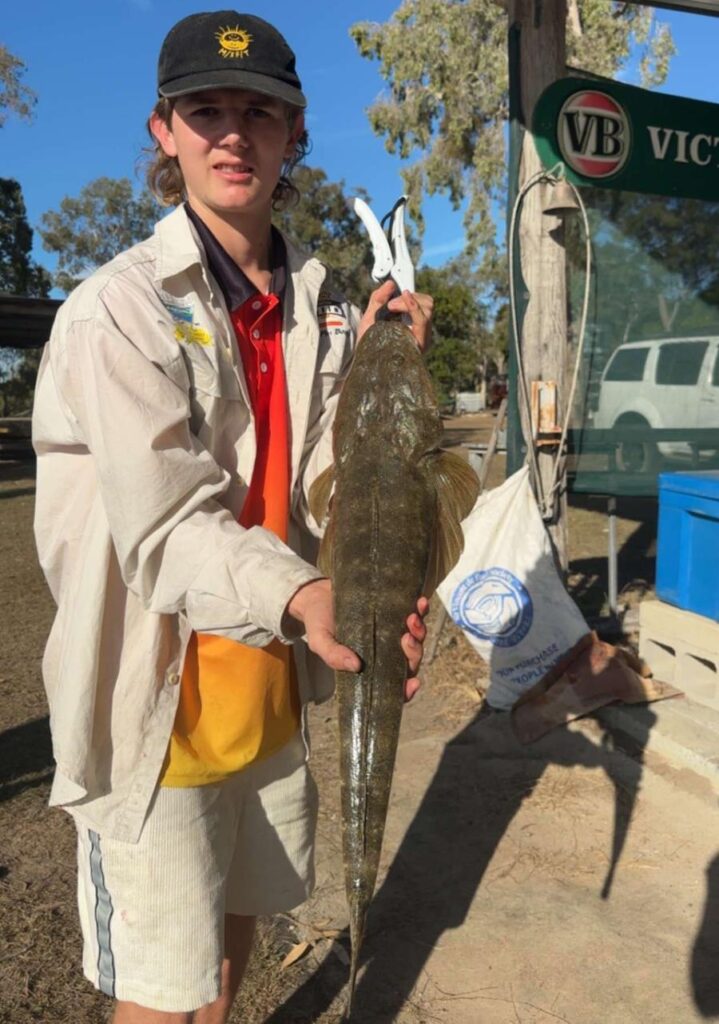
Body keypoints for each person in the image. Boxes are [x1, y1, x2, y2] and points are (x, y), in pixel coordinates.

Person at [32, 10, 434, 1024]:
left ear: (294, 134)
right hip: (155, 706)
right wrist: (308, 592)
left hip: (269, 692)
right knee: (160, 996)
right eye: (204, 110)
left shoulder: (315, 308)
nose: (231, 134)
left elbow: (336, 482)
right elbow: (164, 527)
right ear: (164, 131)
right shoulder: (116, 309)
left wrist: (393, 365)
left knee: (230, 949)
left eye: (259, 112)